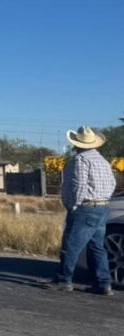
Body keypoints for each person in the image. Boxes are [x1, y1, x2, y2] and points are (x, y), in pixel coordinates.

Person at [51, 126, 117, 295]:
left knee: (70, 245)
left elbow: (78, 185)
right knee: (97, 247)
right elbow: (112, 183)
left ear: (76, 144)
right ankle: (104, 283)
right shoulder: (102, 160)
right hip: (103, 207)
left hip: (85, 208)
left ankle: (64, 280)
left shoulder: (80, 160)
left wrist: (74, 205)